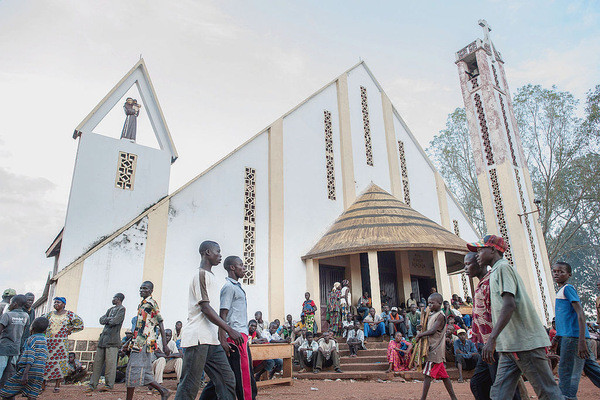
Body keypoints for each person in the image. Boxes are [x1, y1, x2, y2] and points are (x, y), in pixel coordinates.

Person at [469, 235, 562, 400]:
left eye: (480, 250)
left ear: (493, 250)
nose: (477, 254)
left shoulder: (503, 269)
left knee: (548, 392)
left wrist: (492, 339)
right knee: (499, 394)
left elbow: (509, 305)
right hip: (510, 346)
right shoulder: (497, 271)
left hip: (524, 344)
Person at [175, 241, 243, 400]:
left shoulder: (212, 277)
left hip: (211, 340)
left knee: (227, 380)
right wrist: (229, 330)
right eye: (217, 252)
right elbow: (205, 308)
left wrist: (221, 338)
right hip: (198, 338)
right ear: (207, 252)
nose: (220, 255)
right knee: (189, 385)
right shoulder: (200, 275)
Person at [465, 251, 520, 400]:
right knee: (478, 383)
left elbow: (498, 311)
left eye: (468, 264)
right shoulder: (481, 284)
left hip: (494, 343)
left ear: (479, 263)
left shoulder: (490, 281)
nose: (465, 268)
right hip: (486, 344)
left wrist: (493, 340)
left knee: (503, 386)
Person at [208, 255, 257, 400]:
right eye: (241, 265)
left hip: (240, 335)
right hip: (235, 337)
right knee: (243, 376)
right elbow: (223, 314)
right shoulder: (229, 288)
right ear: (232, 268)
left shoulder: (237, 287)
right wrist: (223, 340)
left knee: (228, 374)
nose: (244, 268)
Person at [552, 261, 600, 398]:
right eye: (555, 271)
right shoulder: (561, 291)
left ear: (569, 274)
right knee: (592, 369)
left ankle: (567, 397)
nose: (557, 274)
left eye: (561, 272)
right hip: (571, 337)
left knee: (567, 374)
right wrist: (556, 337)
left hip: (573, 339)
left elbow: (580, 313)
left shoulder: (568, 289)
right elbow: (564, 319)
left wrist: (581, 341)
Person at [125, 281, 171, 400]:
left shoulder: (151, 304)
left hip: (144, 343)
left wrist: (165, 345)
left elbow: (160, 322)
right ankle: (163, 391)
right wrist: (128, 343)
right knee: (144, 372)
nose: (141, 290)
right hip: (138, 342)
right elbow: (139, 326)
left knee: (132, 370)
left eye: (145, 288)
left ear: (151, 291)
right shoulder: (142, 304)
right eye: (140, 288)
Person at [415, 293, 457, 400]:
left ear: (439, 303)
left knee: (427, 375)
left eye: (432, 303)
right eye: (428, 303)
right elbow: (429, 328)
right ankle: (454, 398)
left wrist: (420, 334)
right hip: (433, 348)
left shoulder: (440, 316)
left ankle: (422, 398)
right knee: (444, 376)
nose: (429, 305)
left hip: (435, 350)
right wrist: (421, 328)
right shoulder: (432, 315)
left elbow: (433, 331)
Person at [0, 317, 49, 400]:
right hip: (40, 371)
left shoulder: (31, 339)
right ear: (45, 331)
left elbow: (30, 357)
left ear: (32, 329)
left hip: (28, 370)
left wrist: (25, 373)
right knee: (32, 392)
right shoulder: (44, 340)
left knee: (9, 388)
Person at [42, 296, 83, 393]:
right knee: (46, 362)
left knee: (59, 364)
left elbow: (80, 323)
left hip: (61, 344)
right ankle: (43, 384)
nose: (56, 304)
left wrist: (71, 329)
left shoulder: (69, 314)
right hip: (49, 342)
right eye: (55, 302)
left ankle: (57, 385)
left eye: (58, 302)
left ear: (64, 304)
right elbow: (42, 322)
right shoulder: (49, 315)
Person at [86, 292, 126, 393]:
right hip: (103, 340)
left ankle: (109, 385)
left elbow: (115, 321)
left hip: (112, 341)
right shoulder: (110, 309)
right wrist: (108, 319)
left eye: (114, 298)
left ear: (118, 299)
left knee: (110, 364)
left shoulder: (121, 309)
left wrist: (107, 320)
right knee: (97, 364)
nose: (112, 300)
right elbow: (101, 320)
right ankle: (92, 385)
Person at [0, 295, 29, 381]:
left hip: (4, 347)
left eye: (11, 302)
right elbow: (24, 331)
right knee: (10, 371)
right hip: (16, 348)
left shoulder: (7, 315)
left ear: (15, 304)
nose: (9, 304)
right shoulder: (26, 316)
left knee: (1, 369)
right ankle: (6, 390)